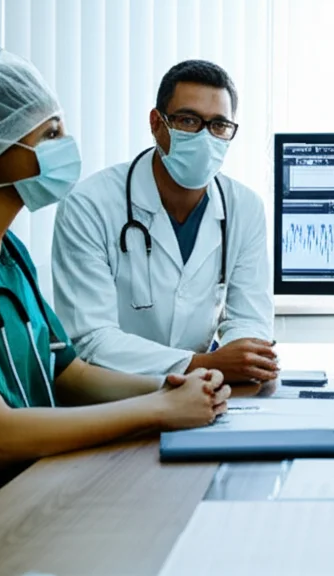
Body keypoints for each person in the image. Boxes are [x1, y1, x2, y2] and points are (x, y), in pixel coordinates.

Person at [0, 48, 231, 567]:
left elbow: (66, 371)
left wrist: (171, 387)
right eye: (49, 135)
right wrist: (155, 410)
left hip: (23, 497)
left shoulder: (10, 252)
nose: (65, 148)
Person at [51, 60, 276, 381]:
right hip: (114, 393)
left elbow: (250, 317)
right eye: (188, 120)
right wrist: (204, 364)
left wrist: (244, 355)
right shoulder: (89, 204)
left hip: (204, 391)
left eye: (219, 125)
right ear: (157, 123)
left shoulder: (245, 207)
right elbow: (91, 339)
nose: (205, 136)